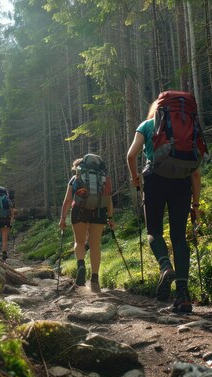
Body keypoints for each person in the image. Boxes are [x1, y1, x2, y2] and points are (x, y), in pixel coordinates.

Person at [126, 97, 202, 313]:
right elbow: (196, 172)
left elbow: (131, 155)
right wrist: (195, 204)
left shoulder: (147, 125)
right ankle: (183, 295)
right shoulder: (189, 126)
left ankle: (164, 265)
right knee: (179, 237)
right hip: (182, 182)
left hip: (155, 179)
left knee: (154, 232)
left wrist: (135, 178)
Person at [59, 156, 115, 292]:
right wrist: (111, 218)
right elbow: (108, 200)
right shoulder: (103, 177)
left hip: (79, 210)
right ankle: (95, 279)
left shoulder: (75, 179)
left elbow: (67, 200)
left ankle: (81, 265)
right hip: (99, 211)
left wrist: (62, 218)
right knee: (95, 244)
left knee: (79, 241)